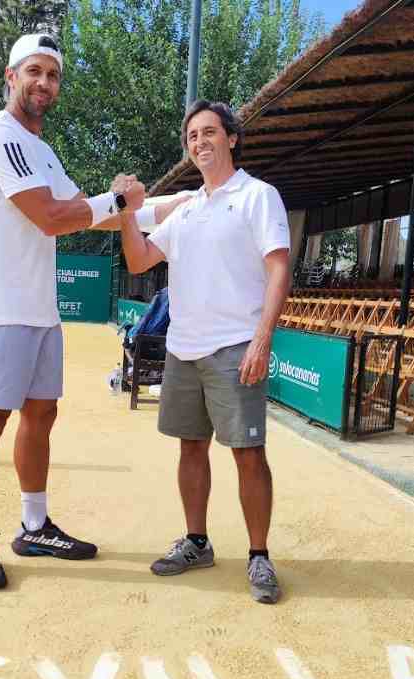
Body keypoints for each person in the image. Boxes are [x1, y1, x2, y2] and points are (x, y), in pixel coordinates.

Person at [0, 32, 186, 591]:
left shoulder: (42, 151)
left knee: (42, 416)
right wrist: (121, 200)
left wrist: (174, 207)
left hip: (40, 311)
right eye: (34, 71)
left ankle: (34, 527)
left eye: (53, 75)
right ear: (11, 77)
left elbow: (95, 215)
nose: (44, 83)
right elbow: (53, 217)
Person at [119, 100, 292, 604]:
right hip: (183, 349)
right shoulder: (187, 208)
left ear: (232, 138)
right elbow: (139, 259)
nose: (200, 142)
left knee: (248, 453)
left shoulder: (259, 196)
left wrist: (262, 338)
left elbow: (279, 268)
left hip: (235, 346)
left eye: (210, 132)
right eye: (193, 136)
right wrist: (127, 212)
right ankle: (197, 542)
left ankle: (259, 555)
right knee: (190, 447)